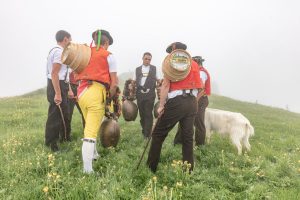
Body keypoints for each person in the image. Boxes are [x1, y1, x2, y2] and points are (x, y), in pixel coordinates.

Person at [146, 42, 203, 173]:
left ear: (173, 51)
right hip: (192, 102)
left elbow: (165, 85)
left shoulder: (171, 62)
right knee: (188, 138)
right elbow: (200, 87)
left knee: (158, 134)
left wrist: (161, 105)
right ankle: (188, 170)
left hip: (177, 102)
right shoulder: (193, 64)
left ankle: (151, 167)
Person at [75, 29, 119, 173]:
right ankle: (87, 170)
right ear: (106, 43)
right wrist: (110, 99)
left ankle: (93, 154)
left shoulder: (85, 53)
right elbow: (114, 82)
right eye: (108, 44)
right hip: (96, 93)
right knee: (90, 133)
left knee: (89, 124)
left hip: (81, 92)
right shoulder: (108, 56)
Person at [45, 30, 72, 152]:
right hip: (57, 84)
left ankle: (53, 140)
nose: (70, 43)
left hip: (59, 84)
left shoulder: (54, 50)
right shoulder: (59, 51)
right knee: (56, 115)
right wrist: (58, 93)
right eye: (70, 40)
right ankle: (53, 145)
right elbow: (55, 73)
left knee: (57, 113)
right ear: (65, 39)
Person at [174, 56, 211, 146]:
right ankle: (179, 142)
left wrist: (195, 101)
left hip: (200, 99)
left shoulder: (201, 72)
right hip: (192, 98)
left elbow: (201, 89)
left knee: (198, 122)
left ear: (196, 63)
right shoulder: (196, 71)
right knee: (184, 118)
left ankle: (200, 145)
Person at [133, 52, 158, 139]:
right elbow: (134, 81)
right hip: (140, 94)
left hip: (150, 94)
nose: (147, 61)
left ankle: (147, 134)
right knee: (142, 114)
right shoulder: (137, 69)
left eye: (149, 59)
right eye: (146, 59)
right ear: (142, 58)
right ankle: (144, 130)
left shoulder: (154, 69)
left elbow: (158, 80)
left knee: (148, 113)